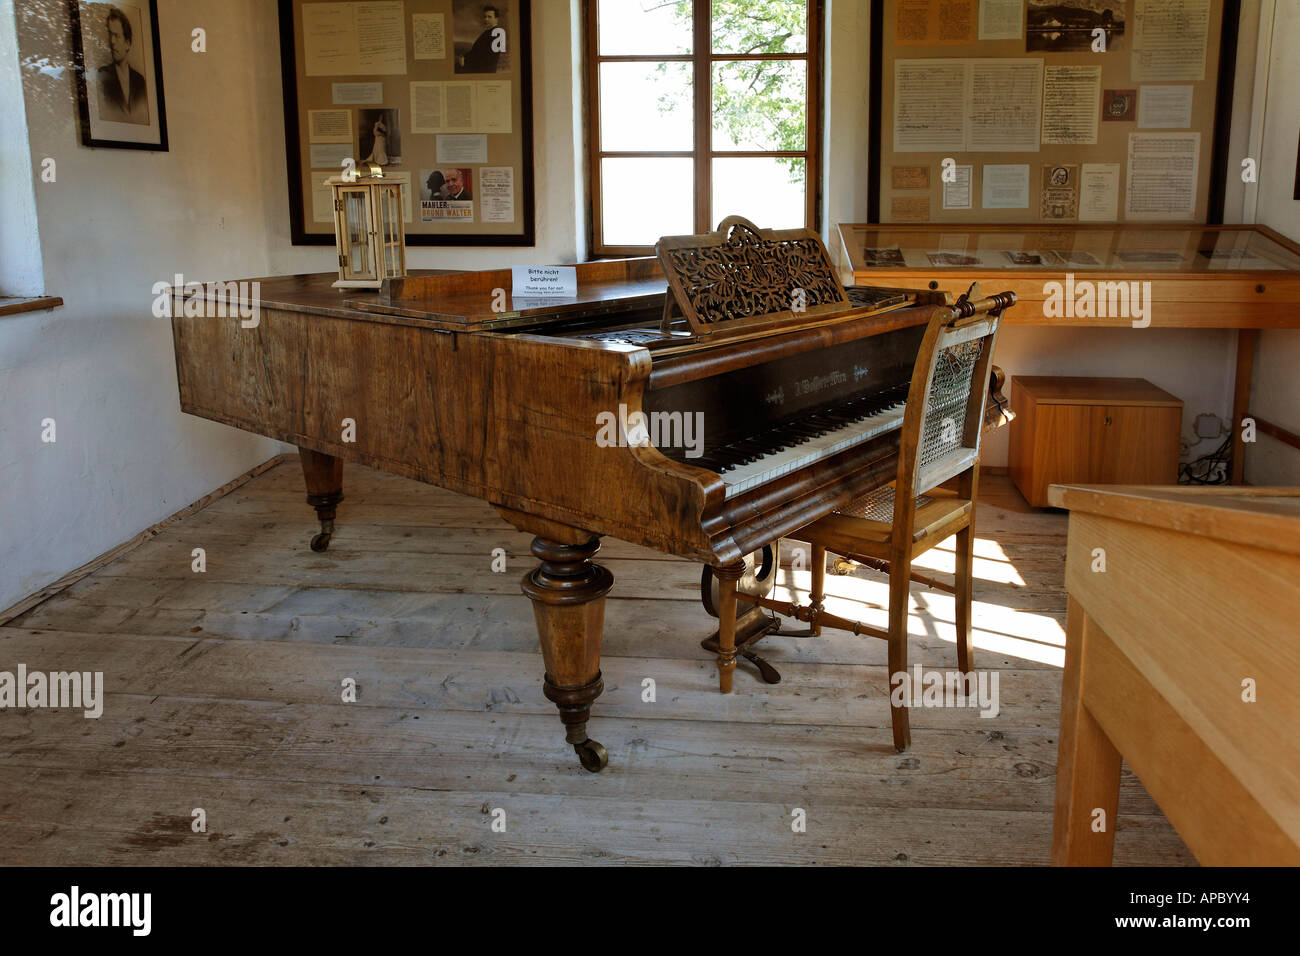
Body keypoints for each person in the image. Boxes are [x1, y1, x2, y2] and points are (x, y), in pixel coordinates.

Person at [96, 6, 148, 124]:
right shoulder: (102, 76)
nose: (112, 41)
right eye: (110, 35)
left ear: (128, 43)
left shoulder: (140, 81)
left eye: (117, 36)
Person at [459, 5, 503, 73]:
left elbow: (488, 60)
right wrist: (464, 57)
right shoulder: (487, 32)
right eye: (485, 17)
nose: (486, 19)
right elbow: (476, 51)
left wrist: (465, 63)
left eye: (489, 17)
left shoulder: (496, 34)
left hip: (484, 71)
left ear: (496, 19)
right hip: (477, 68)